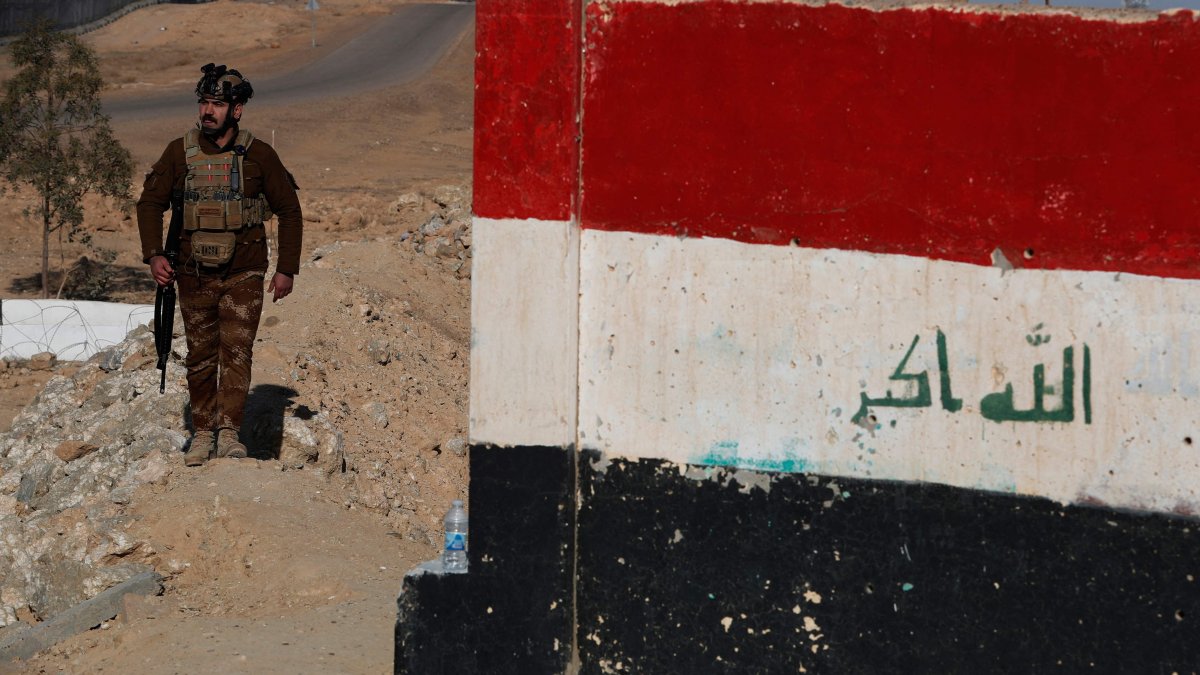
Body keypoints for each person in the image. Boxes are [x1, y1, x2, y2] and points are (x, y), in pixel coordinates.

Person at [137, 63, 303, 467]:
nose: (208, 111)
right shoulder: (179, 152)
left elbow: (289, 211)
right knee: (200, 355)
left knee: (237, 352)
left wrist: (287, 269)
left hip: (244, 271)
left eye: (217, 104)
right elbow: (150, 203)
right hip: (192, 274)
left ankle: (229, 432)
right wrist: (155, 254)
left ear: (237, 109)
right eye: (204, 102)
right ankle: (203, 432)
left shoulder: (260, 155)